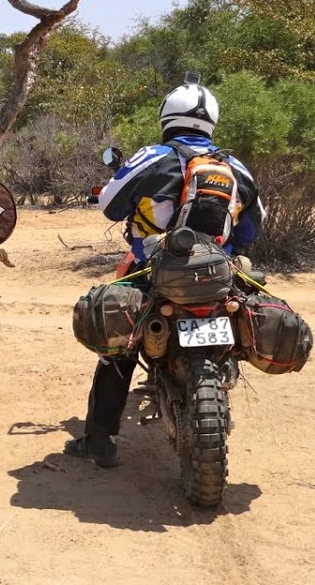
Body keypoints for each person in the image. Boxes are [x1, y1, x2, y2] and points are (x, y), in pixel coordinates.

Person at [64, 74, 265, 468]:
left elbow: (109, 205)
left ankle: (99, 442)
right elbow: (254, 226)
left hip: (153, 271)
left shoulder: (153, 156)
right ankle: (223, 377)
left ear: (167, 115)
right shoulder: (235, 166)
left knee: (118, 349)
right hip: (218, 274)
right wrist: (226, 250)